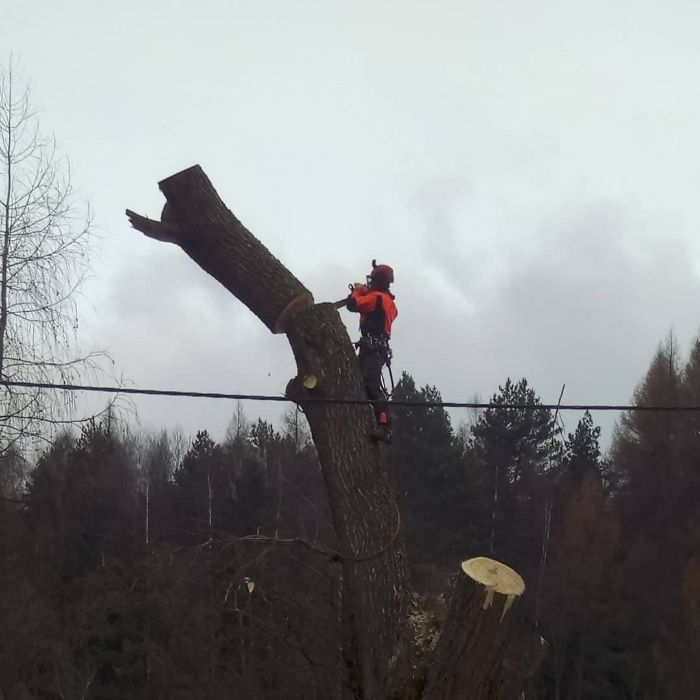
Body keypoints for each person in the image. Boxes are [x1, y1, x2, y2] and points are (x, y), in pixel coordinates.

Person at [345, 261, 397, 443]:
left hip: (373, 349)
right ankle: (375, 421)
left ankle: (385, 426)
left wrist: (358, 290)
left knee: (372, 386)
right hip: (374, 348)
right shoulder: (387, 301)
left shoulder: (376, 299)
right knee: (362, 384)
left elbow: (352, 304)